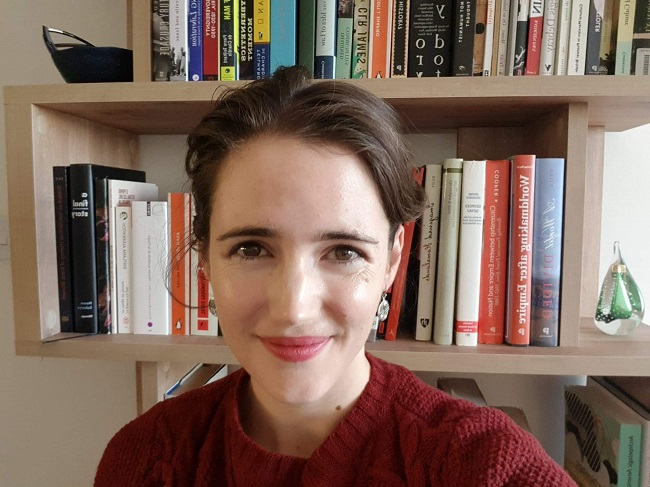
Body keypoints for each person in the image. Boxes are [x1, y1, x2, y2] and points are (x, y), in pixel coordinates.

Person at [95, 66, 576, 486]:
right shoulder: (144, 459)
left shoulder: (487, 465)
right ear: (204, 258)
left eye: (343, 251)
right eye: (251, 248)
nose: (294, 307)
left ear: (391, 261)